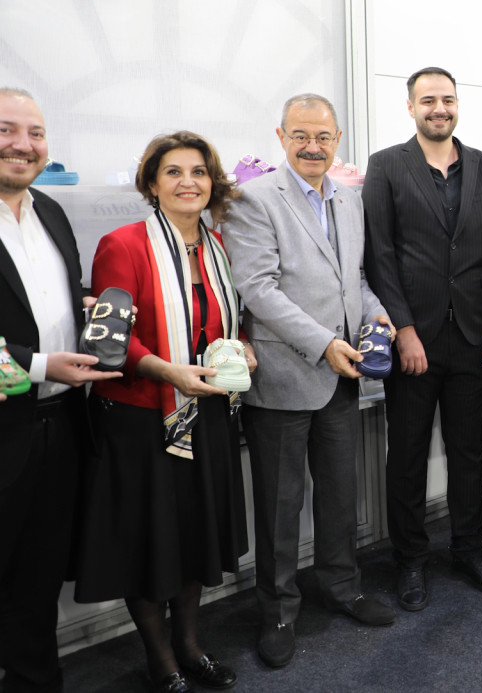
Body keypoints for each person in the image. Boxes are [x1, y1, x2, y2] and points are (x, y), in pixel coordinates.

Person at [222, 94, 396, 670]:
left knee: (341, 494)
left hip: (342, 377)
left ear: (338, 139)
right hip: (283, 376)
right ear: (281, 137)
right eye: (301, 135)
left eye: (323, 136)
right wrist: (324, 343)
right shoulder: (253, 199)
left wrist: (376, 314)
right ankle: (276, 611)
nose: (313, 146)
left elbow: (355, 278)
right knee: (280, 504)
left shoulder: (349, 199)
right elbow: (258, 289)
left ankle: (342, 586)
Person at [75, 131, 252, 693]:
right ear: (152, 184)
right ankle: (161, 659)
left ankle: (191, 645)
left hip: (207, 416)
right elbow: (110, 343)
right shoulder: (122, 245)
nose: (187, 183)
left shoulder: (217, 247)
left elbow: (222, 321)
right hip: (142, 421)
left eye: (198, 172)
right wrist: (168, 371)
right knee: (151, 543)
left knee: (193, 537)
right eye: (173, 172)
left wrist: (242, 347)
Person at [361, 66, 482, 607]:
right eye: (428, 100)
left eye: (447, 99)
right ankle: (410, 560)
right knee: (406, 456)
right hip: (415, 340)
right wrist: (403, 330)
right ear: (410, 107)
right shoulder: (386, 166)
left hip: (475, 339)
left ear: (457, 105)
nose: (439, 109)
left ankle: (468, 549)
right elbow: (380, 255)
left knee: (468, 454)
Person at [0, 88, 121, 693]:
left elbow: (51, 298)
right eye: (6, 129)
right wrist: (45, 364)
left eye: (36, 132)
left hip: (60, 427)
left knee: (38, 580)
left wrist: (85, 310)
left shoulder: (49, 210)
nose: (23, 145)